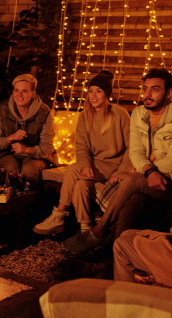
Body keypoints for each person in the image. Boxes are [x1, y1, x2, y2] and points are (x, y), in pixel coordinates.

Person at [64, 68, 172, 253]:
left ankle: (98, 231)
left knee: (131, 180)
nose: (147, 94)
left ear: (169, 93)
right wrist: (147, 170)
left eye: (154, 89)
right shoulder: (139, 114)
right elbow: (136, 151)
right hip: (146, 177)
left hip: (166, 180)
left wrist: (146, 171)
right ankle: (114, 255)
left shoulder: (121, 114)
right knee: (131, 202)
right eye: (145, 89)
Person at [33, 70, 133, 235]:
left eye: (98, 91)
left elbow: (132, 147)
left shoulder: (119, 114)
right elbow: (81, 146)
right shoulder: (85, 116)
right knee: (80, 185)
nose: (93, 95)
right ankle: (86, 229)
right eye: (91, 91)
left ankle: (58, 214)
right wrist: (85, 165)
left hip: (113, 165)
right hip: (95, 163)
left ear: (106, 94)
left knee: (72, 169)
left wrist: (122, 172)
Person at [0, 73, 57, 190]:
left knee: (29, 171)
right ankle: (9, 205)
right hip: (7, 154)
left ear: (33, 93)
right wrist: (10, 138)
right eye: (16, 90)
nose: (19, 95)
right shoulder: (2, 109)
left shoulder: (45, 112)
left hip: (35, 155)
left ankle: (30, 206)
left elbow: (47, 147)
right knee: (11, 169)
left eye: (24, 91)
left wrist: (26, 150)